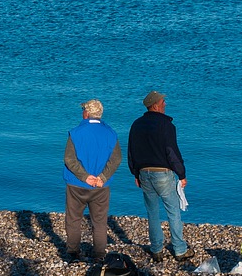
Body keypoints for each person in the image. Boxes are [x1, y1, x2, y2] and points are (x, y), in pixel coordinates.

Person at [127, 90, 193, 262]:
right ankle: (179, 250)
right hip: (162, 173)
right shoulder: (166, 125)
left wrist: (135, 172)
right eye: (163, 101)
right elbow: (171, 151)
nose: (165, 104)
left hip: (144, 173)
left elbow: (131, 151)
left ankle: (156, 250)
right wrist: (181, 174)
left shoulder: (136, 124)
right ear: (156, 105)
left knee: (152, 213)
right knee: (173, 211)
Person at [63, 98, 121, 262]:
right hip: (101, 186)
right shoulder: (111, 133)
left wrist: (85, 176)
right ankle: (99, 255)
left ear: (87, 113)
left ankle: (73, 253)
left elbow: (69, 159)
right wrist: (102, 177)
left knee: (74, 219)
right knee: (100, 222)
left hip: (77, 184)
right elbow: (116, 159)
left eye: (83, 110)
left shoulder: (75, 132)